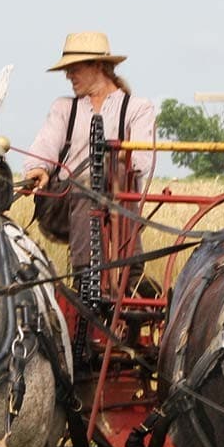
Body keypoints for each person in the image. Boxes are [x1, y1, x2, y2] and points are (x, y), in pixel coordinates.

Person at [25, 32, 155, 274]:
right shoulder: (64, 107)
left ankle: (130, 272)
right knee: (88, 181)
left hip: (118, 206)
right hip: (65, 206)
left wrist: (109, 160)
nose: (68, 75)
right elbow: (46, 145)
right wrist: (39, 169)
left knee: (113, 170)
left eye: (74, 68)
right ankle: (85, 273)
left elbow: (141, 161)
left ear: (98, 66)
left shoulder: (137, 108)